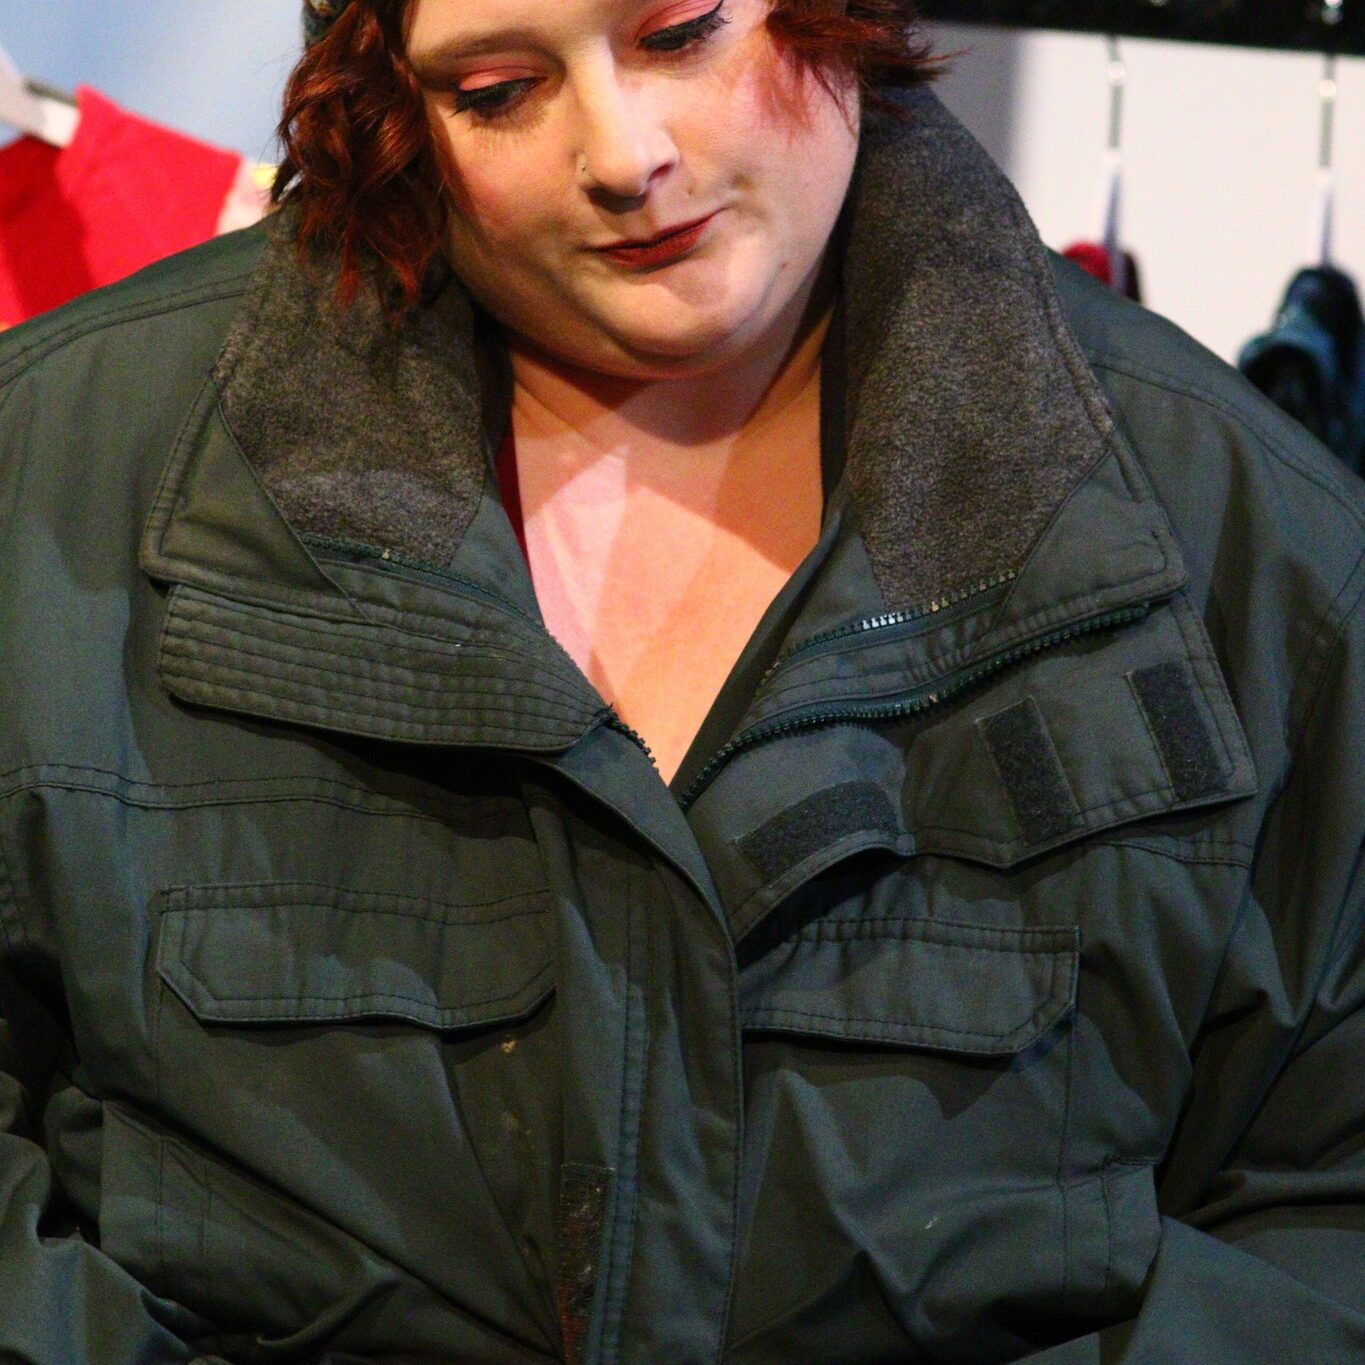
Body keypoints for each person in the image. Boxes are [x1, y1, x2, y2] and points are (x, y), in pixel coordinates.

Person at [0, 1, 1361, 1361]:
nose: (621, 153)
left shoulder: (1259, 553)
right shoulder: (50, 483)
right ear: (392, 98)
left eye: (681, 33)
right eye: (496, 90)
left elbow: (1326, 1217)